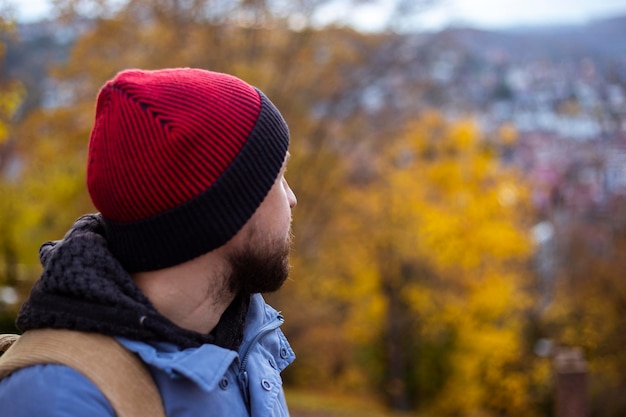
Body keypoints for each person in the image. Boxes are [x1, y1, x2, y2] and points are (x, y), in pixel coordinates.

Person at [0, 67, 297, 416]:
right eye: (279, 178)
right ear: (227, 212)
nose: (292, 199)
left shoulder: (246, 339)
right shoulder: (58, 398)